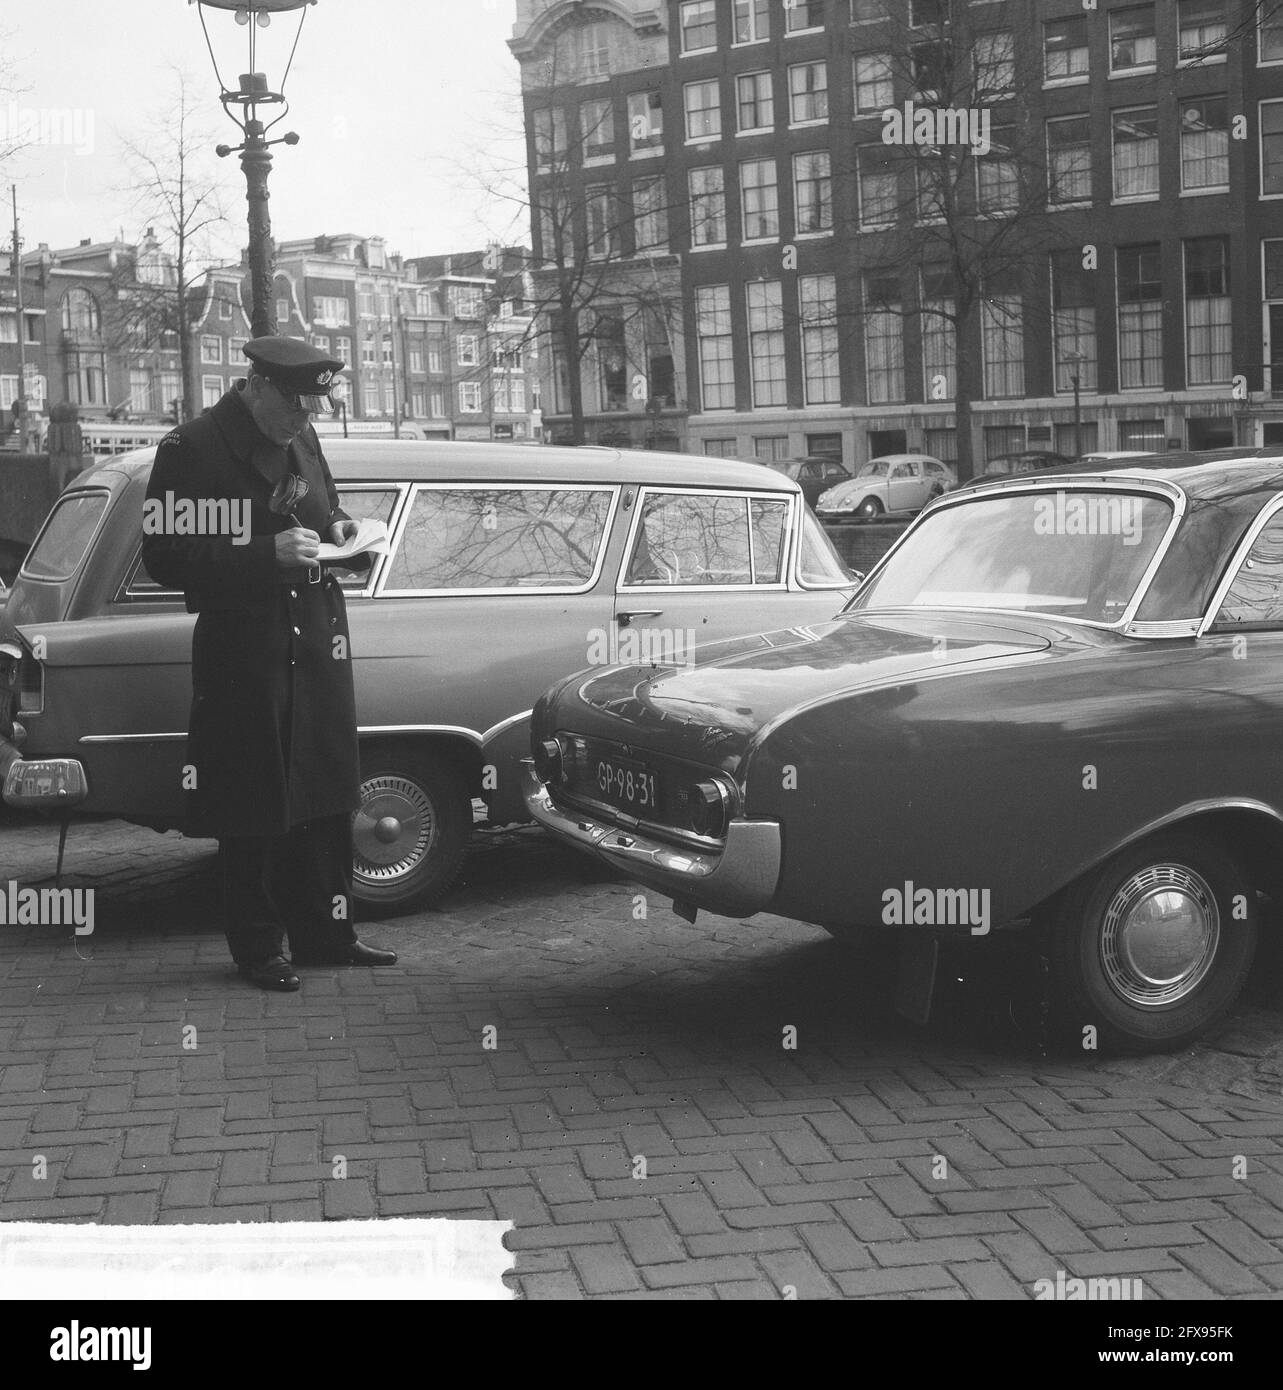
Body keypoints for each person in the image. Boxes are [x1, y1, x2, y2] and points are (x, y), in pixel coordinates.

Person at [142, 336, 396, 990]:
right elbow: (163, 559)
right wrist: (263, 553)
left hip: (314, 638)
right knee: (252, 796)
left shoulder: (301, 434)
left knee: (324, 790)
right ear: (256, 384)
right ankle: (260, 950)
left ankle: (327, 933)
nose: (303, 422)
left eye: (314, 411)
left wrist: (342, 530)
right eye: (295, 408)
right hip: (246, 646)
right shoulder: (191, 448)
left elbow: (323, 504)